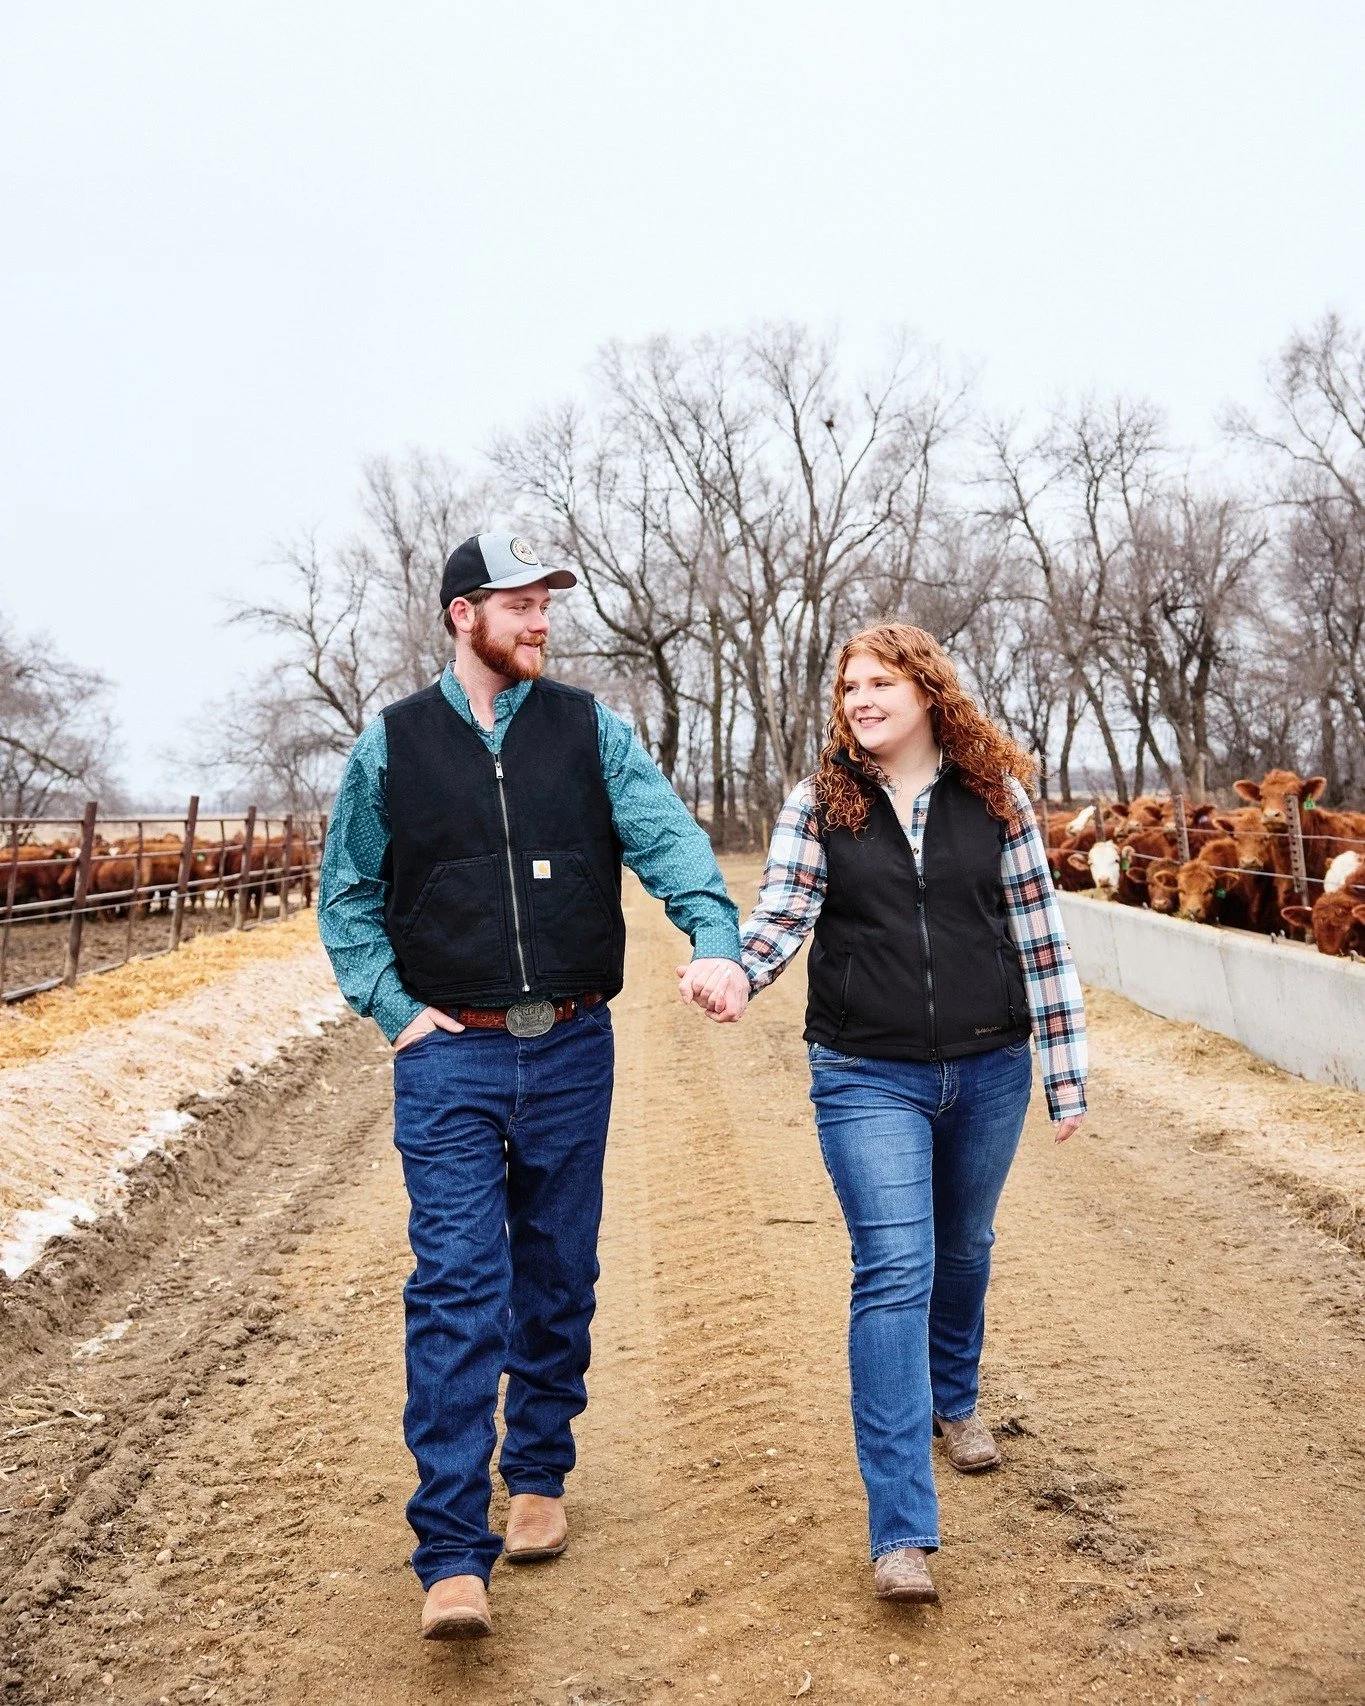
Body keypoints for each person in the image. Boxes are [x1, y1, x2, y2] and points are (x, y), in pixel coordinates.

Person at [318, 531, 747, 1641]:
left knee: (557, 1270)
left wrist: (712, 933)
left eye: (547, 604)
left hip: (569, 1044)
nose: (542, 622)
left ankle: (541, 1468)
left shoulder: (590, 730)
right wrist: (395, 1010)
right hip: (448, 1053)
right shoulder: (391, 748)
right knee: (458, 1284)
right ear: (465, 614)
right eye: (520, 604)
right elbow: (349, 896)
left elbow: (671, 844)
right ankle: (452, 1549)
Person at [682, 622, 1087, 1605]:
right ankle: (900, 1527)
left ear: (927, 690)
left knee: (966, 1245)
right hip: (865, 1069)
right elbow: (782, 908)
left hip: (989, 1063)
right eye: (849, 684)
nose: (860, 698)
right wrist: (738, 966)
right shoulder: (822, 801)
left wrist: (1065, 1070)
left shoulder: (997, 796)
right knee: (894, 1267)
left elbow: (1040, 933)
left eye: (880, 681)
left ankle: (957, 1398)